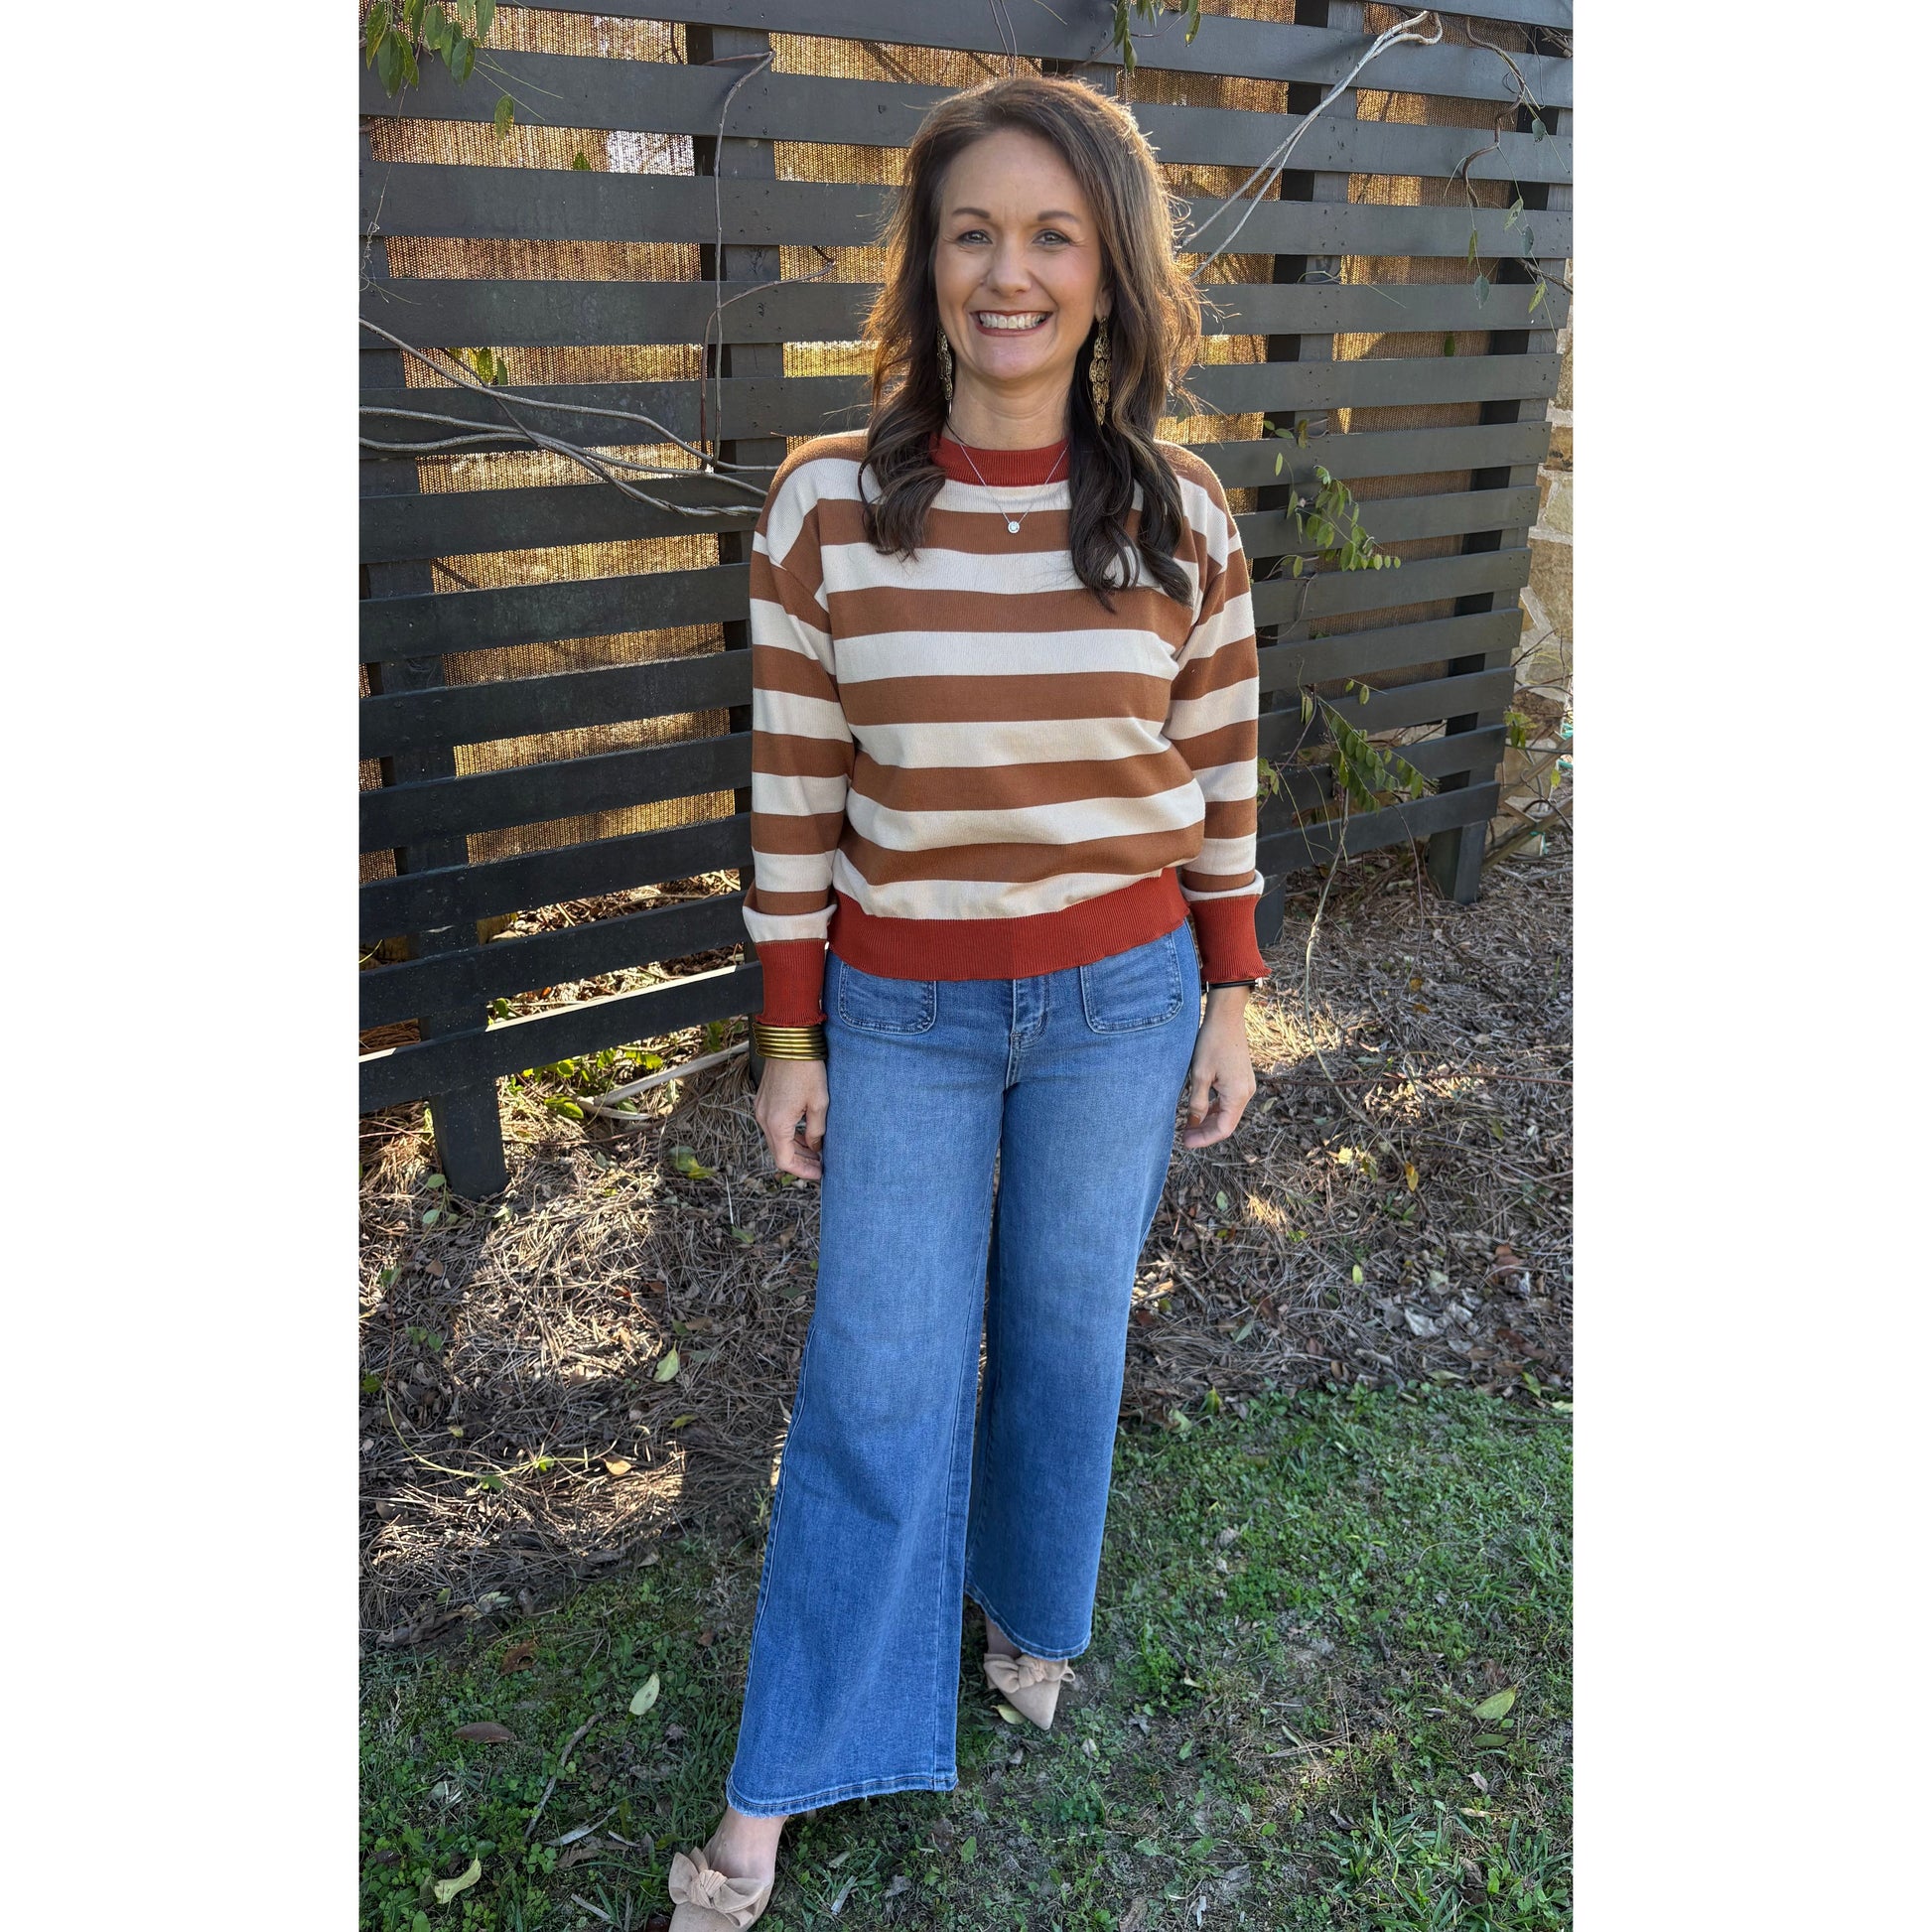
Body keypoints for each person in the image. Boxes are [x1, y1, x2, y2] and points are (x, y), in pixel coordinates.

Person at [665, 71, 1270, 1932]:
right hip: (903, 1018)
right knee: (875, 1383)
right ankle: (784, 1776)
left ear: (1109, 272)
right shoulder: (829, 507)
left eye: (1050, 236)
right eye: (971, 233)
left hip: (1118, 1003)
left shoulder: (1178, 517)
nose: (1008, 272)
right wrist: (789, 1029)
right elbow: (790, 786)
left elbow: (1222, 774)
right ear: (926, 267)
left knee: (1071, 1344)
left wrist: (1228, 1000)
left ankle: (1031, 1617)